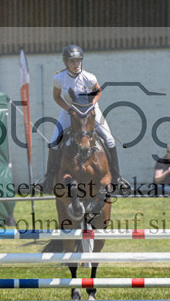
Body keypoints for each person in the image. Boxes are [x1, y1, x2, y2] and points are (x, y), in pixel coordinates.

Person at [37, 44, 130, 191]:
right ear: (66, 63)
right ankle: (48, 178)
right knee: (54, 141)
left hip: (91, 111)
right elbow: (56, 97)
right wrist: (69, 109)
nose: (76, 64)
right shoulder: (59, 78)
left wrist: (91, 106)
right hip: (71, 111)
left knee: (110, 139)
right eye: (72, 61)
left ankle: (117, 178)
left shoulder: (89, 77)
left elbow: (98, 91)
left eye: (78, 61)